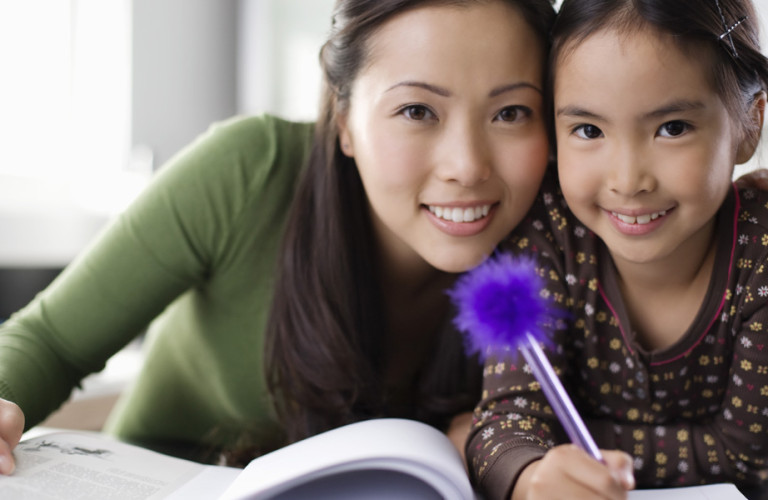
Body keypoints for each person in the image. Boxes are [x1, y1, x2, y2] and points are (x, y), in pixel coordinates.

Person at [0, 0, 557, 476]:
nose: (466, 165)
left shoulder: (565, 244)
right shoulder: (250, 172)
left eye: (511, 112)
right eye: (416, 110)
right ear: (343, 120)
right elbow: (51, 342)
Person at [466, 0, 768, 499]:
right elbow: (507, 418)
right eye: (589, 130)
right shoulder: (549, 233)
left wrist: (564, 440)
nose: (628, 180)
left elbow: (748, 457)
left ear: (749, 125)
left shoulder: (759, 257)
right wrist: (532, 478)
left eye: (672, 128)